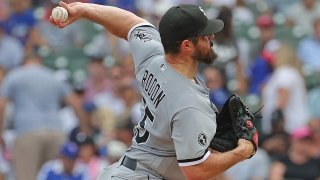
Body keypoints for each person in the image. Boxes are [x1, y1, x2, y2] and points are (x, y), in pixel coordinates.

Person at [51, 2, 255, 179]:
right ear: (186, 45)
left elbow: (130, 23)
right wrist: (242, 151)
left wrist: (83, 9)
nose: (211, 37)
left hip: (127, 170)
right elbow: (196, 171)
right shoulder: (190, 104)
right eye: (204, 35)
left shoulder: (153, 54)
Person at [0, 52, 89, 180]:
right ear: (40, 61)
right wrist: (84, 128)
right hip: (55, 133)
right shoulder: (52, 76)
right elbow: (75, 103)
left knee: (26, 177)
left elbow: (1, 105)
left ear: (24, 61)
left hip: (27, 132)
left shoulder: (15, 75)